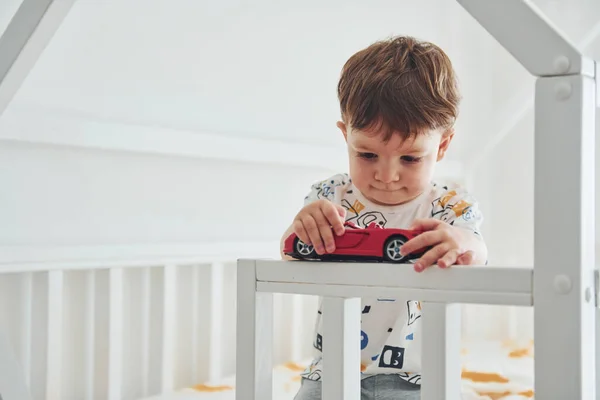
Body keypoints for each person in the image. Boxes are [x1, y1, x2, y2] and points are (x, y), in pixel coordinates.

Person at [280, 36, 488, 400]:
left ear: (441, 146)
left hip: (419, 372)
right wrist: (304, 226)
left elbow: (477, 253)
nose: (387, 175)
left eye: (409, 159)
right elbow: (292, 255)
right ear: (345, 136)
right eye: (367, 155)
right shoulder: (330, 198)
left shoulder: (449, 208)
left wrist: (464, 244)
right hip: (331, 366)